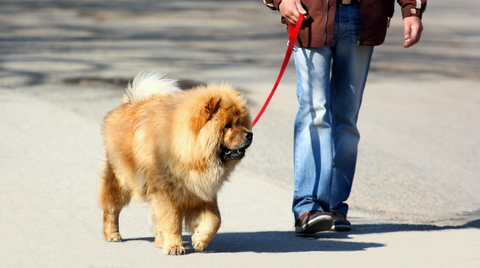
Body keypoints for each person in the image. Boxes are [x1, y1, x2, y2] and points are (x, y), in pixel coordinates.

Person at [262, 0, 427, 234]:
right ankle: (308, 208)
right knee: (315, 111)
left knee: (346, 118)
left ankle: (334, 206)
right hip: (310, 14)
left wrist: (412, 9)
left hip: (363, 14)